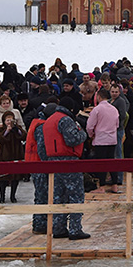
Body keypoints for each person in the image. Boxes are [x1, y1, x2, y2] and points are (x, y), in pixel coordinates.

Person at [34, 103, 90, 240]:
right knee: (75, 195)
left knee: (58, 195)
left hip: (52, 162)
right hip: (69, 161)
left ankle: (58, 228)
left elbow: (42, 147)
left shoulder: (48, 122)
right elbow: (72, 140)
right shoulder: (65, 120)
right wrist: (84, 134)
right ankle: (75, 229)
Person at [0, 109, 26, 204]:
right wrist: (7, 131)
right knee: (3, 178)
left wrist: (17, 130)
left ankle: (13, 196)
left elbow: (24, 136)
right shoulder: (1, 129)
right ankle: (2, 197)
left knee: (15, 178)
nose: (9, 122)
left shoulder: (17, 128)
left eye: (11, 120)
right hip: (4, 156)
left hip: (16, 155)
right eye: (7, 120)